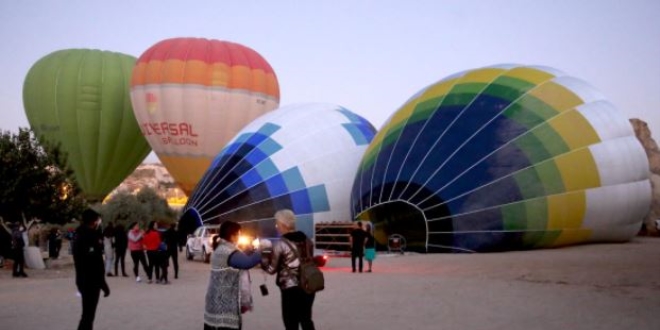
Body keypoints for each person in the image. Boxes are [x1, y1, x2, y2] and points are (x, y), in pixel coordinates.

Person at [261, 209, 317, 330]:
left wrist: (264, 256)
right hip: (308, 285)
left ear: (283, 224)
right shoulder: (307, 240)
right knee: (306, 320)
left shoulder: (281, 244)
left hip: (290, 289)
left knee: (291, 323)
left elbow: (271, 270)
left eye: (277, 223)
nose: (276, 226)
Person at [204, 221, 261, 330]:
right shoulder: (227, 251)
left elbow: (240, 257)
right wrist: (262, 249)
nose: (239, 237)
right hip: (224, 306)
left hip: (215, 302)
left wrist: (249, 250)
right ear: (232, 235)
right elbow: (247, 263)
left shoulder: (221, 248)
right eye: (239, 234)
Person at [73, 208, 110, 330]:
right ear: (94, 221)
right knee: (88, 314)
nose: (99, 222)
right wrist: (102, 283)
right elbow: (95, 263)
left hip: (83, 279)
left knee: (87, 314)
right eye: (98, 220)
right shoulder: (90, 237)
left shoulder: (79, 234)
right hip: (91, 281)